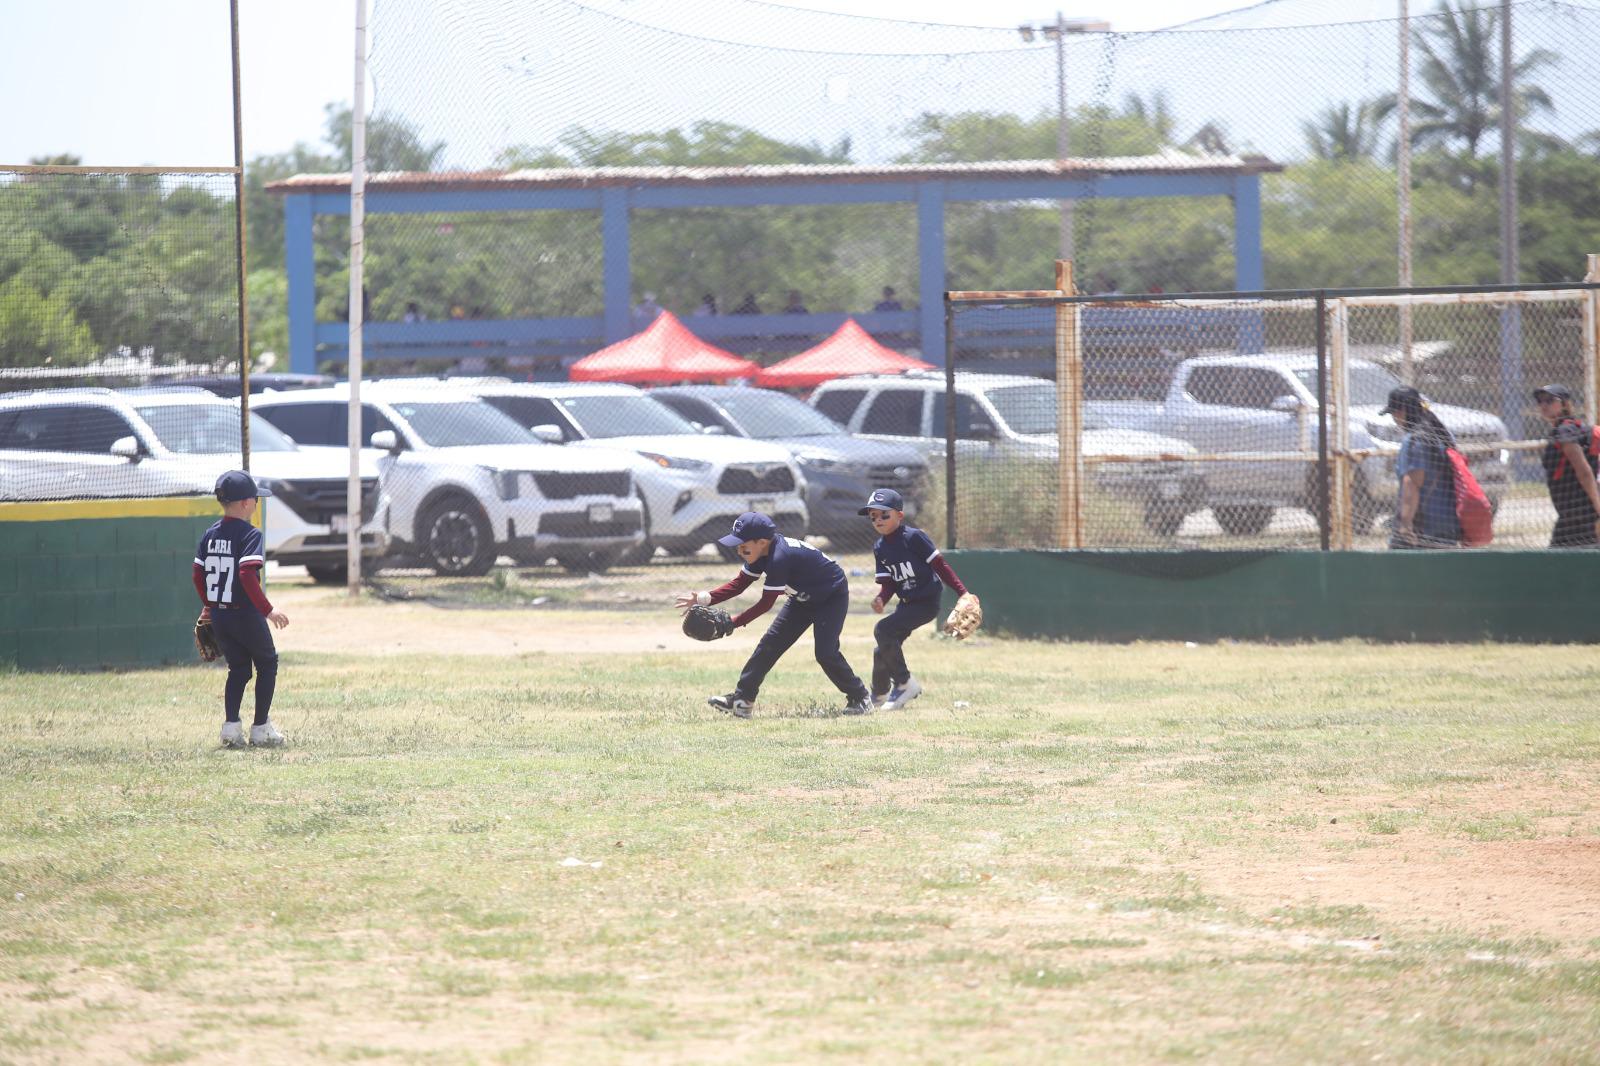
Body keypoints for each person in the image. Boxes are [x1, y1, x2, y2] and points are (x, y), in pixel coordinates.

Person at [674, 512, 872, 718]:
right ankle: (742, 701)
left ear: (761, 542)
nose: (739, 551)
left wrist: (734, 622)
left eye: (743, 546)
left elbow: (765, 603)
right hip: (802, 599)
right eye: (737, 546)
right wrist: (705, 598)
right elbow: (739, 584)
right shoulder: (760, 552)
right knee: (769, 645)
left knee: (826, 653)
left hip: (831, 598)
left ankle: (860, 697)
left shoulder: (780, 557)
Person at [192, 471, 291, 747]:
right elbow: (247, 574)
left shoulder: (210, 534)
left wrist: (210, 606)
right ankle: (261, 728)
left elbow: (197, 576)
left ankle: (231, 728)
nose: (257, 504)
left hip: (222, 615)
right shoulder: (250, 534)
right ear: (246, 503)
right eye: (256, 500)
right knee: (267, 663)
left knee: (238, 669)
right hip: (245, 613)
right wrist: (268, 610)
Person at [860, 488, 970, 710]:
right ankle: (879, 695)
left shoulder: (913, 537)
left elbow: (940, 565)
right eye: (873, 516)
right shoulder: (879, 547)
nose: (878, 520)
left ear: (899, 516)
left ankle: (904, 683)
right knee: (882, 649)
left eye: (884, 515)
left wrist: (963, 592)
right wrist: (881, 598)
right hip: (906, 604)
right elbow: (890, 582)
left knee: (883, 630)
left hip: (926, 602)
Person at [1380, 386, 1461, 549]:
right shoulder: (1442, 435)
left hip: (1421, 527)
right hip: (1448, 525)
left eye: (1394, 413)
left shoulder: (1414, 441)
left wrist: (1405, 524)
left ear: (1402, 411)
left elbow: (1412, 484)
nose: (1394, 419)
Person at [1534, 384, 1600, 547]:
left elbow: (1584, 471)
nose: (1544, 405)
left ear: (1564, 404)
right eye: (1540, 401)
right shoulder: (1570, 429)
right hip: (1572, 513)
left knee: (1558, 563)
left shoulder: (1565, 432)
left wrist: (1598, 507)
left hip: (1579, 514)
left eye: (1550, 400)